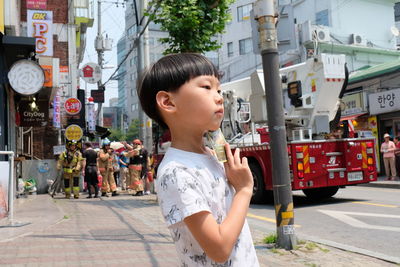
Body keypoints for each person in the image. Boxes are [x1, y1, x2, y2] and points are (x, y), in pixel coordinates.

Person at [137, 53, 259, 266]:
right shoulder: (177, 172)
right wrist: (244, 190)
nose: (219, 96)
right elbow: (219, 249)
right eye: (206, 87)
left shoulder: (211, 155)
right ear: (168, 102)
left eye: (219, 89)